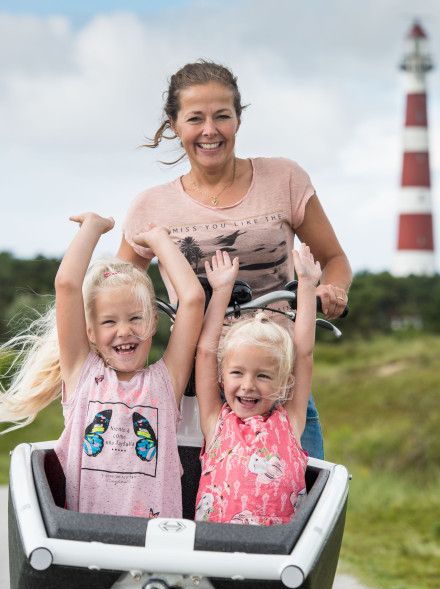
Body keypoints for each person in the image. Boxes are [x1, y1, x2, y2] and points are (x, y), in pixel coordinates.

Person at [118, 60, 352, 459]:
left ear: (238, 120)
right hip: (195, 386)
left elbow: (335, 258)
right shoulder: (151, 206)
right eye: (195, 118)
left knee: (299, 494)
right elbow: (117, 287)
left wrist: (333, 289)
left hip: (277, 380)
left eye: (222, 116)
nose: (210, 131)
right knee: (194, 506)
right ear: (175, 124)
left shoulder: (285, 179)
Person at [0, 213, 205, 518]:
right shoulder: (83, 374)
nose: (124, 331)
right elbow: (67, 284)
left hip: (155, 544)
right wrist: (92, 229)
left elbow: (192, 299)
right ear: (90, 333)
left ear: (153, 322)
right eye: (109, 321)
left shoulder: (165, 381)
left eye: (135, 318)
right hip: (89, 539)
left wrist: (160, 241)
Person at [194, 244, 321, 525]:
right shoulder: (216, 422)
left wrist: (308, 287)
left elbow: (303, 355)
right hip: (214, 553)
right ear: (221, 377)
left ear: (286, 382)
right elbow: (205, 353)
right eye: (237, 373)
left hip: (273, 556)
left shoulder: (291, 421)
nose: (248, 385)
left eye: (263, 376)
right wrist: (221, 292)